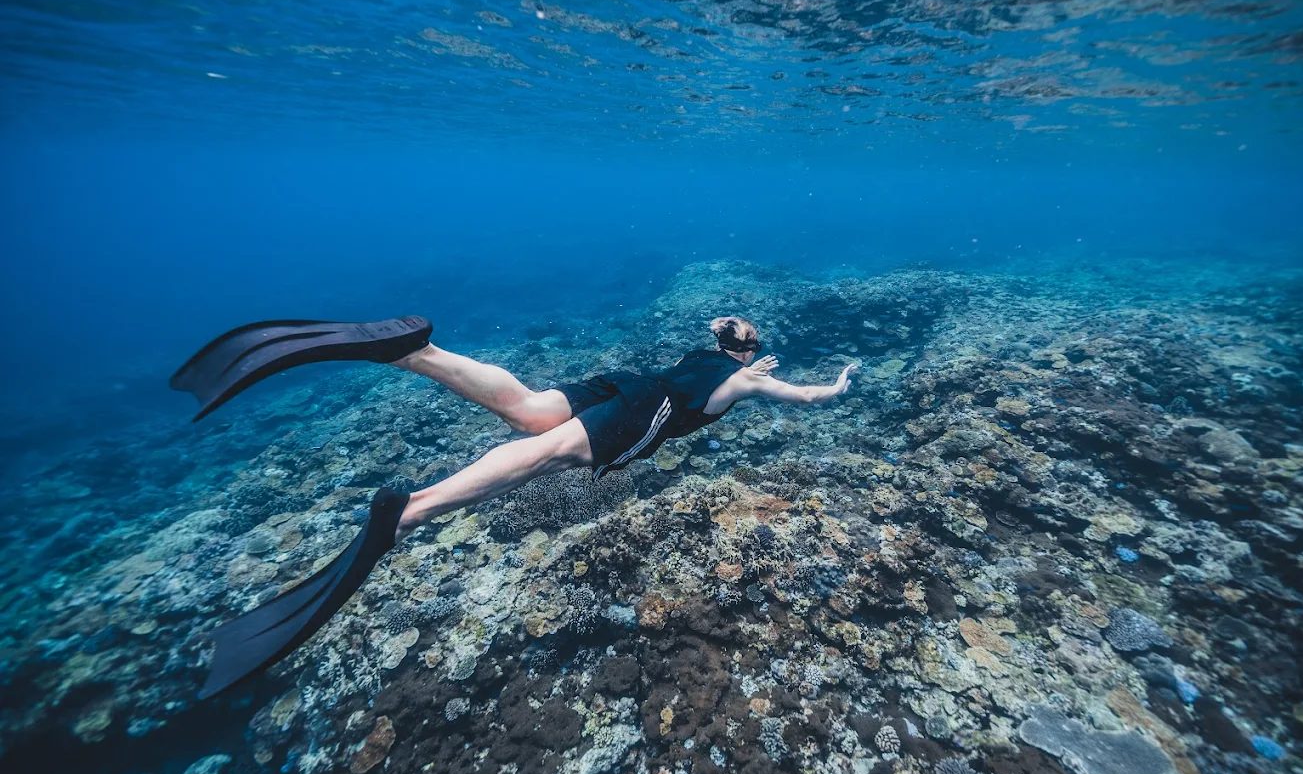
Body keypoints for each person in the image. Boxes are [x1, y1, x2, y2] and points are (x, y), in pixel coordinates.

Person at [173, 314, 857, 698]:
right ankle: (407, 512)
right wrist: (832, 383)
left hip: (627, 381)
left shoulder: (711, 354)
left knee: (528, 409)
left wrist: (747, 353)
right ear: (746, 351)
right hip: (651, 408)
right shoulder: (740, 379)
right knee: (548, 452)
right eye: (747, 338)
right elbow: (804, 398)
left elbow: (728, 331)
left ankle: (415, 351)